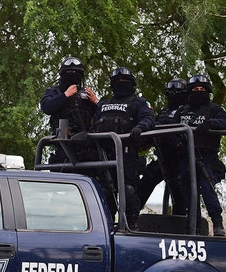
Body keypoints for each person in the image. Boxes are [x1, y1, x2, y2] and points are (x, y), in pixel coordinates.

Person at [91, 67, 155, 229]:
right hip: (105, 156)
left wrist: (140, 128)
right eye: (117, 81)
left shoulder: (139, 103)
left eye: (124, 81)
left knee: (128, 190)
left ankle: (132, 225)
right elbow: (93, 126)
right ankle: (107, 226)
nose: (121, 84)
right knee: (106, 192)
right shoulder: (104, 104)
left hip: (127, 154)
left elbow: (149, 120)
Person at [177, 74, 226, 236]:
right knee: (186, 191)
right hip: (186, 157)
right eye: (195, 89)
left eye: (201, 89)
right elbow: (170, 127)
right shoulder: (183, 110)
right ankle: (194, 226)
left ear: (207, 91)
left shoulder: (214, 109)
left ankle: (217, 223)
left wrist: (209, 124)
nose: (198, 91)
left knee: (207, 188)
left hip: (206, 157)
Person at [137, 78, 187, 212]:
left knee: (180, 194)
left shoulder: (187, 112)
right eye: (170, 93)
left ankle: (183, 225)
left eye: (177, 94)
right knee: (145, 183)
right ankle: (131, 217)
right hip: (163, 158)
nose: (173, 97)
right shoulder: (164, 112)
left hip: (180, 160)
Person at [40, 56, 99, 168]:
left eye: (76, 73)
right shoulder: (54, 92)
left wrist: (96, 102)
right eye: (69, 73)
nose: (73, 76)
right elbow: (46, 107)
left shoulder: (86, 94)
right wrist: (65, 95)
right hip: (63, 142)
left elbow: (100, 115)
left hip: (85, 143)